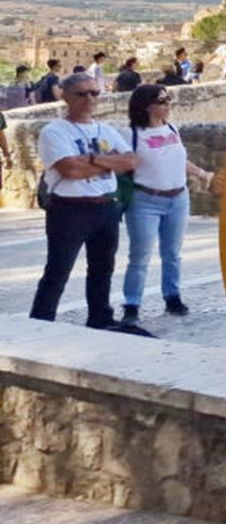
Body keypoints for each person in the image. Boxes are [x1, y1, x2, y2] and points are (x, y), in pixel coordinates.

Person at [29, 73, 150, 335]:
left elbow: (130, 162)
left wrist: (91, 160)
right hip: (70, 209)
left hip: (106, 206)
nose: (90, 99)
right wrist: (105, 161)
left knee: (102, 267)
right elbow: (69, 169)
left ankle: (100, 317)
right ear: (66, 97)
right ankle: (40, 322)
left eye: (94, 93)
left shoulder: (105, 130)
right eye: (82, 94)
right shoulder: (54, 132)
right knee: (58, 270)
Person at [120, 85, 213, 323]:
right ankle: (132, 303)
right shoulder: (131, 134)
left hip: (178, 198)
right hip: (145, 200)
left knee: (172, 253)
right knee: (140, 255)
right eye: (162, 101)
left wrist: (203, 174)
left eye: (168, 100)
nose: (168, 104)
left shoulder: (171, 129)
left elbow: (179, 160)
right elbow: (121, 164)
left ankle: (172, 296)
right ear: (147, 105)